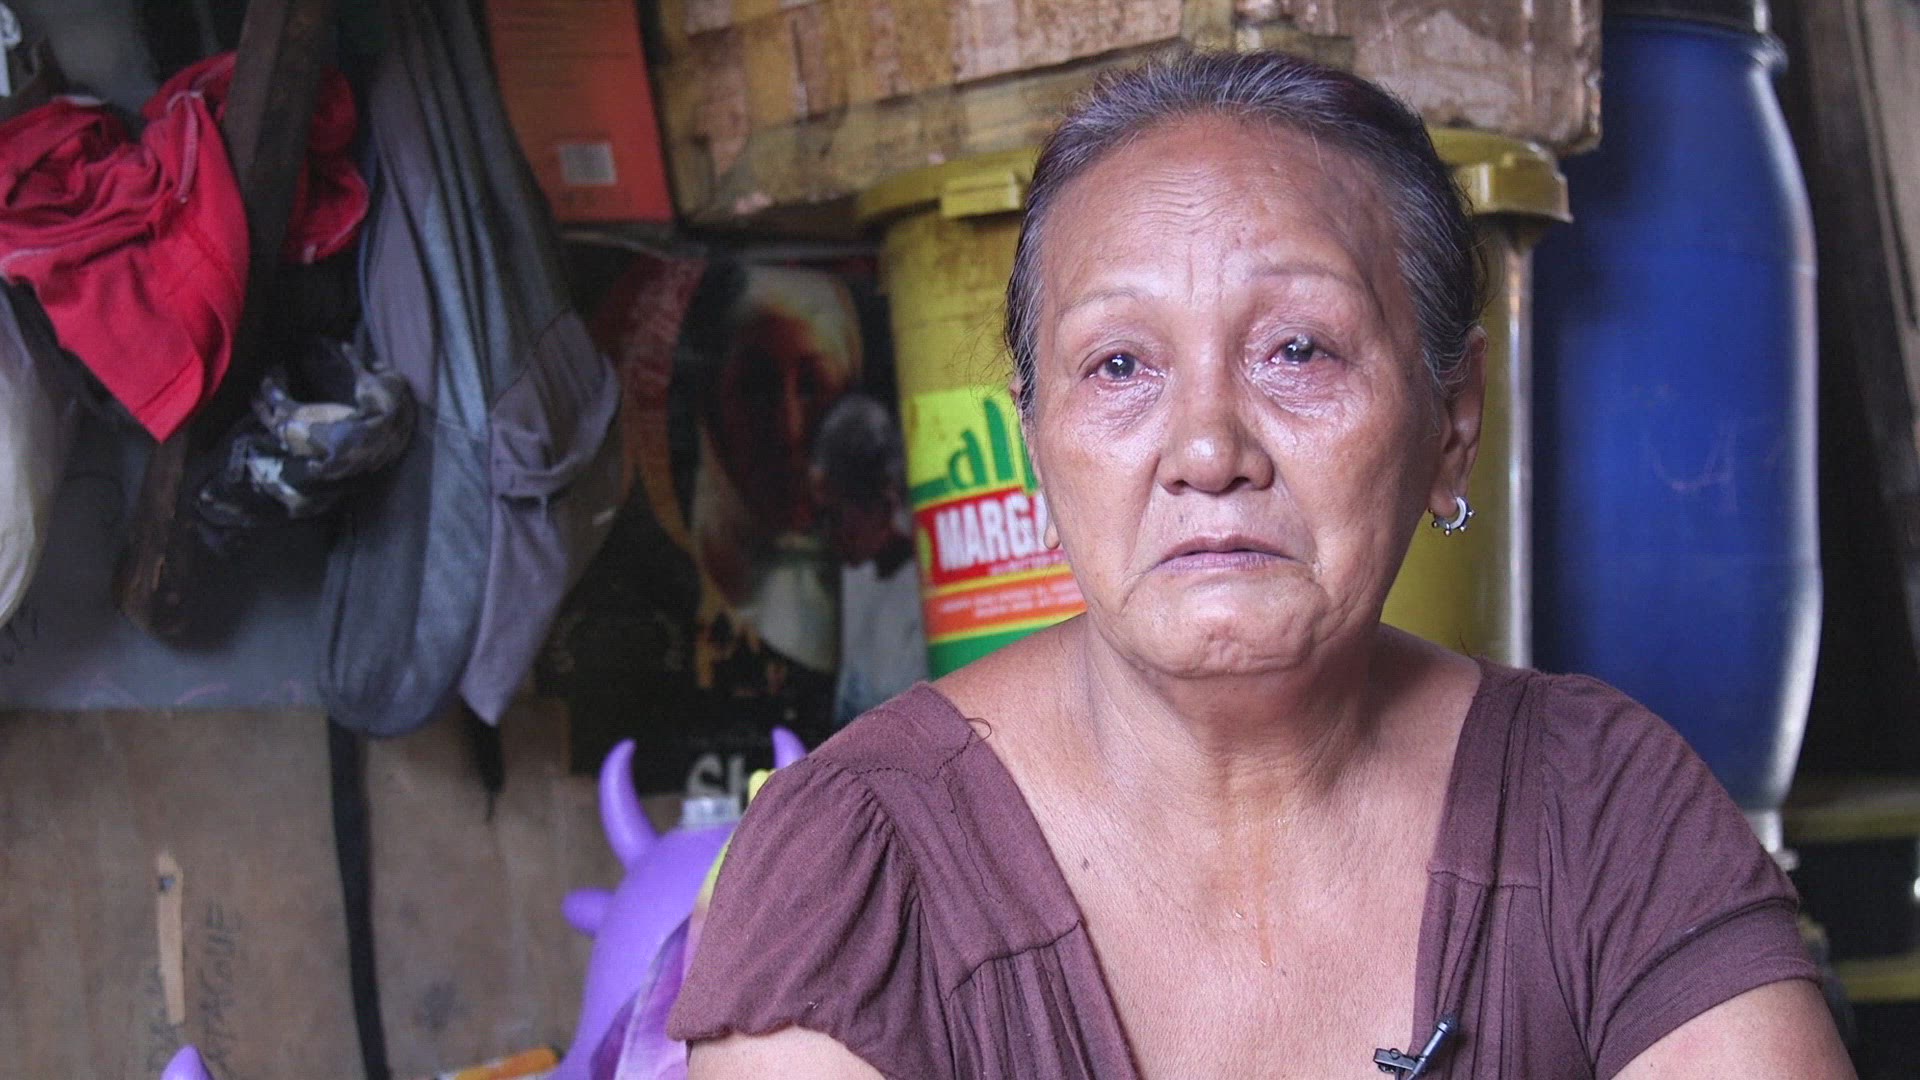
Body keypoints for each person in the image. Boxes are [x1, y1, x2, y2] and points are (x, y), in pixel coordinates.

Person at [664, 50, 1853, 1078]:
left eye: (1298, 350)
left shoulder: (1605, 813)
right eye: (1120, 366)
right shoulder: (859, 868)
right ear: (1037, 447)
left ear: (1453, 420)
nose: (1207, 451)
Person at [810, 391, 929, 727]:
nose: (828, 533)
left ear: (883, 503)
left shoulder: (923, 596)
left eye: (836, 516)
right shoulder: (858, 577)